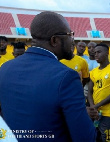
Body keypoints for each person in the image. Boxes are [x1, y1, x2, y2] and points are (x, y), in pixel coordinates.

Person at [0, 11, 96, 142]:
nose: (72, 39)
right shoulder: (67, 77)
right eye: (70, 35)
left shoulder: (5, 68)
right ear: (54, 40)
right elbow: (85, 137)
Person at [88, 43, 110, 142]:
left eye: (99, 52)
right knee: (94, 138)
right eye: (95, 52)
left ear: (107, 53)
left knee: (108, 139)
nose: (96, 54)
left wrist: (96, 106)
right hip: (94, 114)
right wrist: (92, 107)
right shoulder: (94, 72)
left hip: (108, 114)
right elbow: (89, 92)